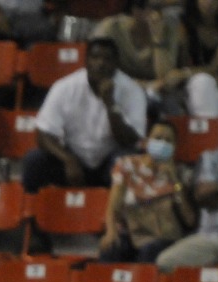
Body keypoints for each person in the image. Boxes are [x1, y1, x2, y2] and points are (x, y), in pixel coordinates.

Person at [22, 37, 146, 196]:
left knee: (126, 162)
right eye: (95, 57)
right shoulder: (65, 87)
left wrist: (110, 104)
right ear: (86, 61)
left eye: (107, 59)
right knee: (34, 160)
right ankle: (32, 214)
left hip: (110, 160)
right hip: (74, 158)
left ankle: (119, 218)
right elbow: (42, 134)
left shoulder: (132, 91)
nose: (101, 64)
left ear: (116, 64)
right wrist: (68, 159)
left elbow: (131, 141)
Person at [156, 106, 218, 272]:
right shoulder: (209, 157)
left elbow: (212, 192)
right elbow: (202, 195)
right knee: (165, 262)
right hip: (208, 235)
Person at [99, 118, 196, 264]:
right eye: (158, 138)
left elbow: (189, 219)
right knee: (110, 248)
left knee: (150, 250)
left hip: (161, 236)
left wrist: (175, 181)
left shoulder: (181, 173)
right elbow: (114, 206)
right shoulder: (126, 165)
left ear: (175, 146)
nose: (163, 143)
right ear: (146, 142)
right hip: (130, 232)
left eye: (168, 140)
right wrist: (111, 232)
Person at [93, 0, 191, 116]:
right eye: (148, 8)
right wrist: (144, 85)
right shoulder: (112, 28)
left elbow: (165, 78)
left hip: (158, 93)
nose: (155, 15)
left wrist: (157, 39)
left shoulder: (169, 30)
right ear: (134, 10)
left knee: (172, 104)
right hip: (122, 87)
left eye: (158, 9)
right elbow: (98, 70)